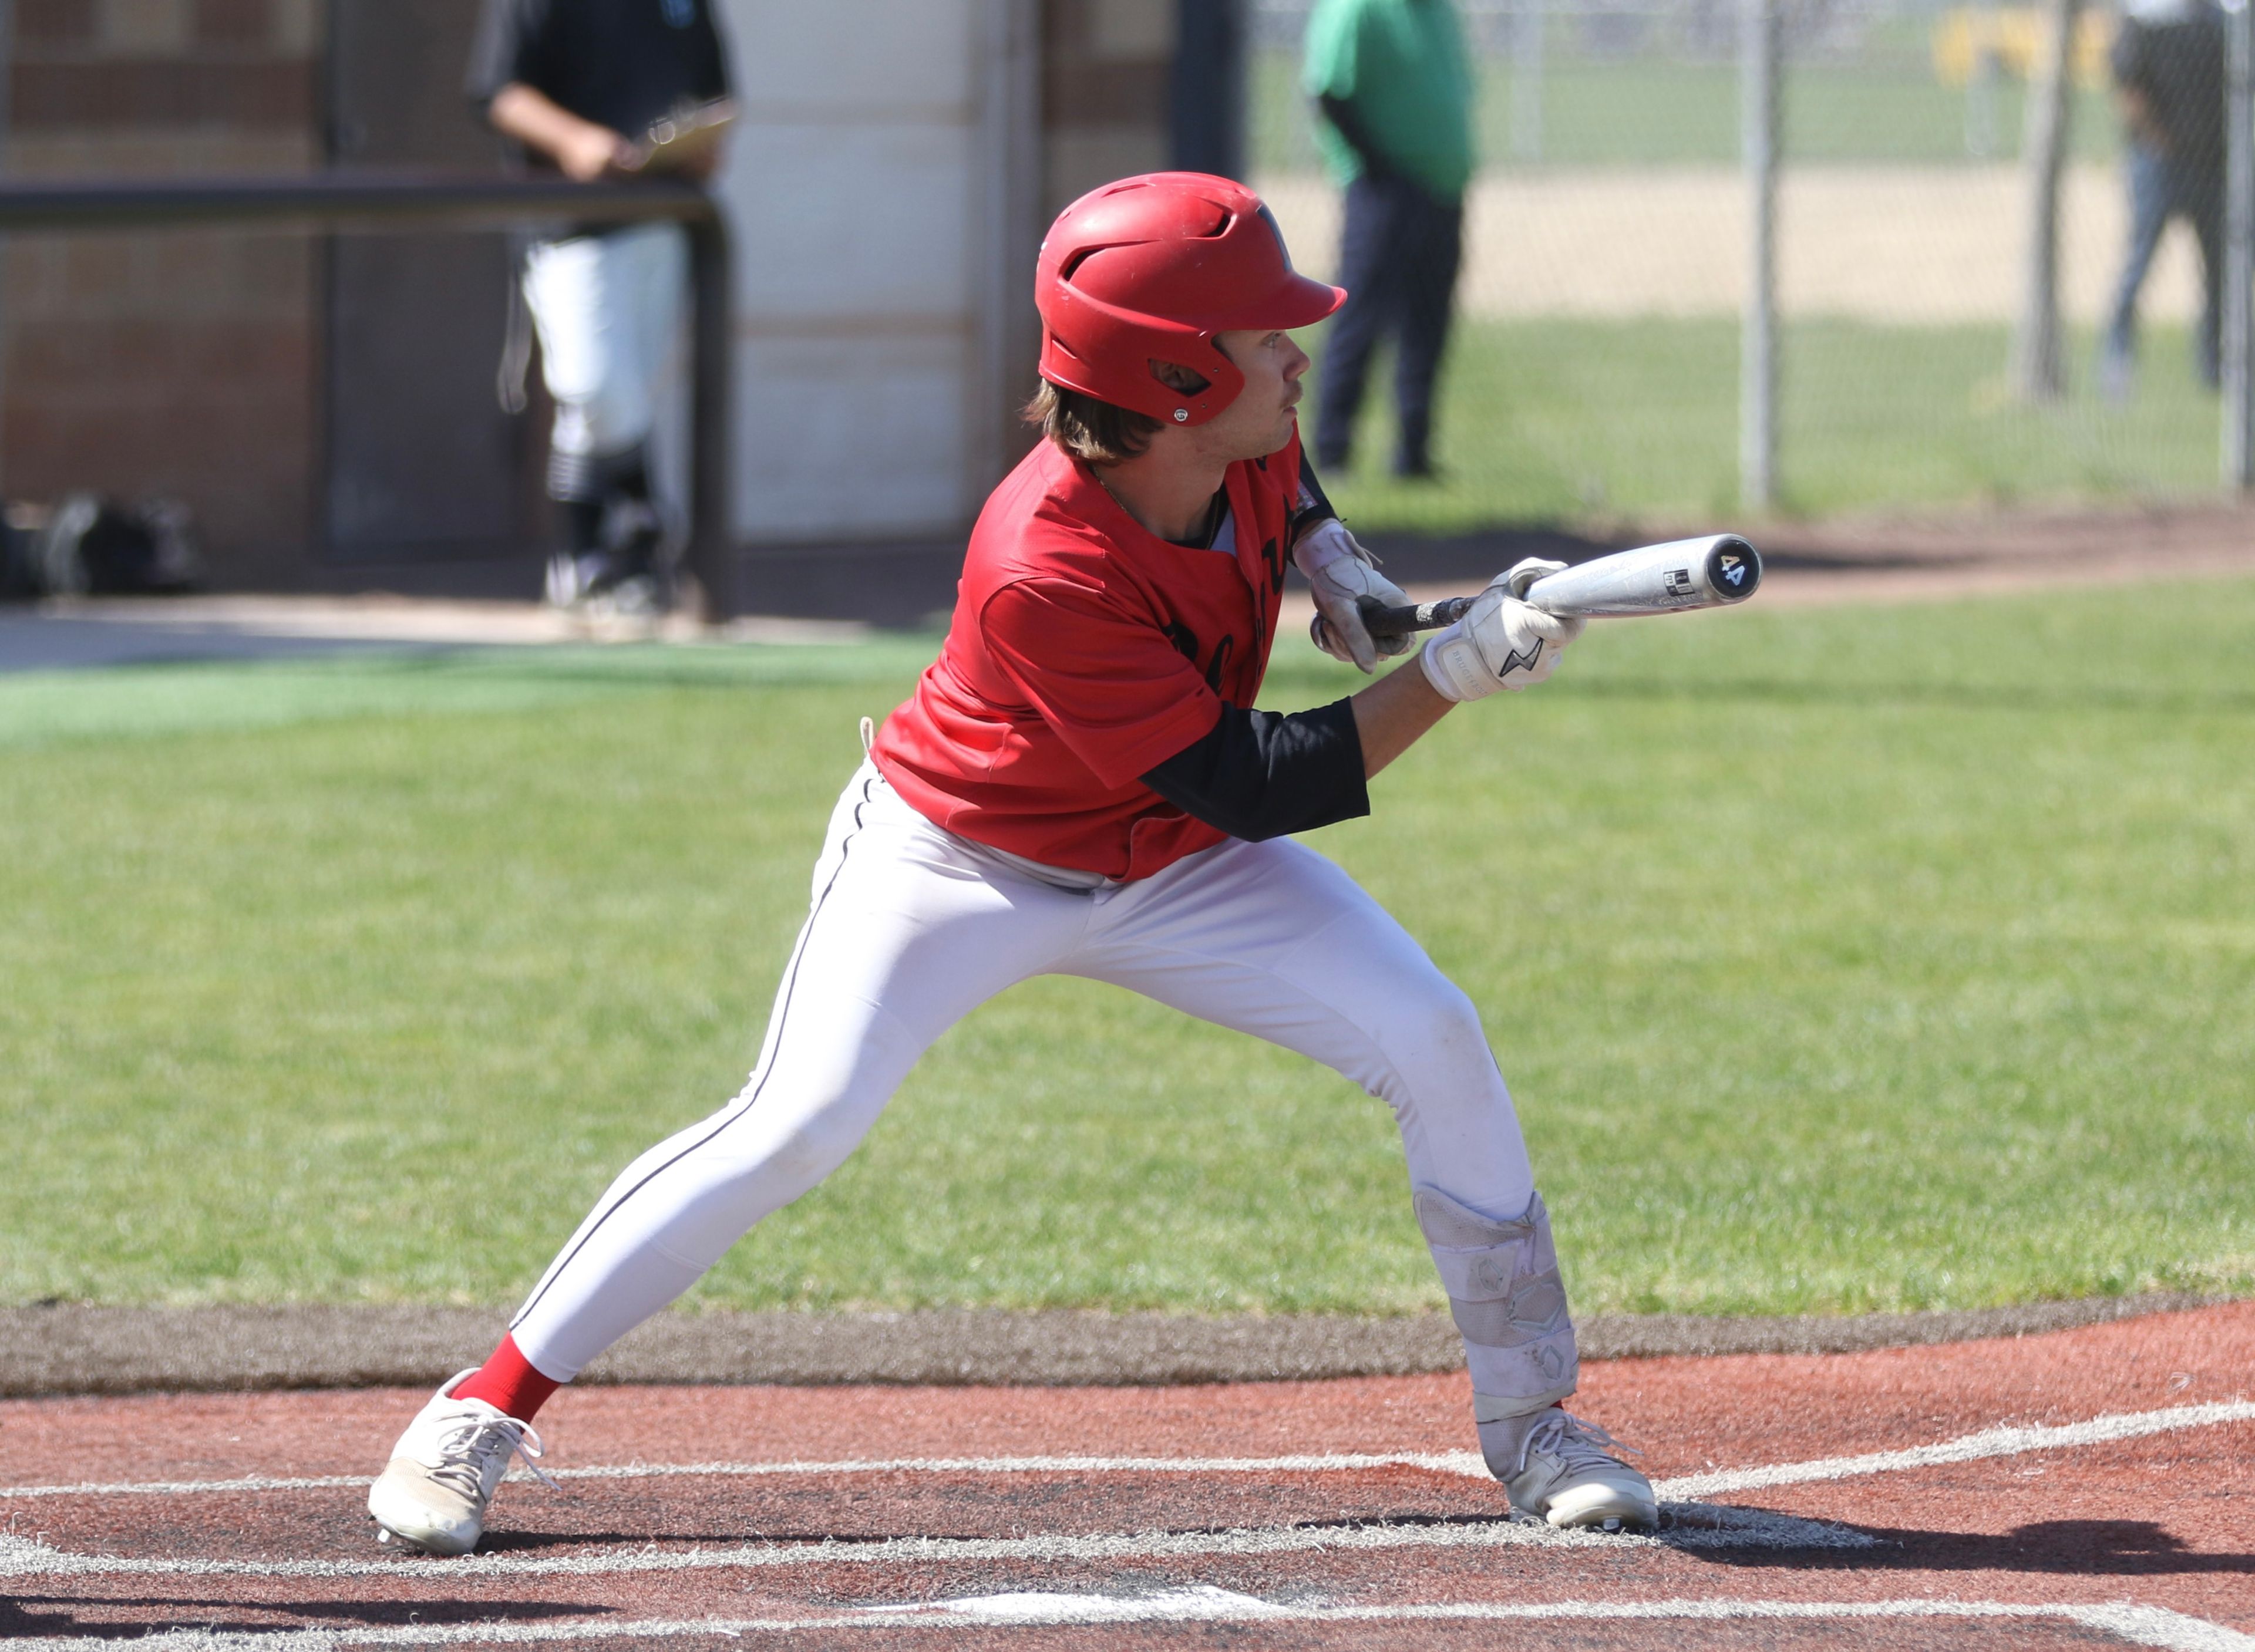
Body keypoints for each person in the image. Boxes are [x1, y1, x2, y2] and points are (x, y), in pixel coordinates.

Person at [366, 173, 1657, 1556]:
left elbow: (1286, 485)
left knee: (1431, 1031)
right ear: (1167, 377)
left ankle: (1533, 1427)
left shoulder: (1233, 433)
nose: (1294, 356)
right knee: (795, 1121)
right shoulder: (1042, 561)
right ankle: (475, 1407)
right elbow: (1259, 781)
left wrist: (1329, 552)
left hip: (1166, 859)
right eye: (1257, 336)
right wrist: (1454, 673)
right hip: (959, 861)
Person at [469, 0, 734, 613]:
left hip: (663, 213)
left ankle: (585, 561)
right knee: (594, 387)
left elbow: (714, 90)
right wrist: (574, 139)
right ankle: (645, 529)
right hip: (570, 221)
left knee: (623, 399)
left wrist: (702, 145)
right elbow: (497, 90)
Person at [1302, 0, 1475, 478]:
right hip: (1383, 192)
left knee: (1428, 324)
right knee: (1359, 318)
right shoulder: (1357, 8)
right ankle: (1333, 453)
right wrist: (1382, 171)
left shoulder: (1437, 11)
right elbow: (1330, 93)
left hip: (1443, 189)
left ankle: (1414, 456)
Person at [2099, 0, 2226, 401]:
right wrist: (2157, 138)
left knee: (2220, 271)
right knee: (2140, 263)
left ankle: (2214, 366)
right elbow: (2128, 86)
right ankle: (2117, 360)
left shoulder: (2219, 21)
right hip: (2159, 164)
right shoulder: (2146, 21)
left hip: (2211, 165)